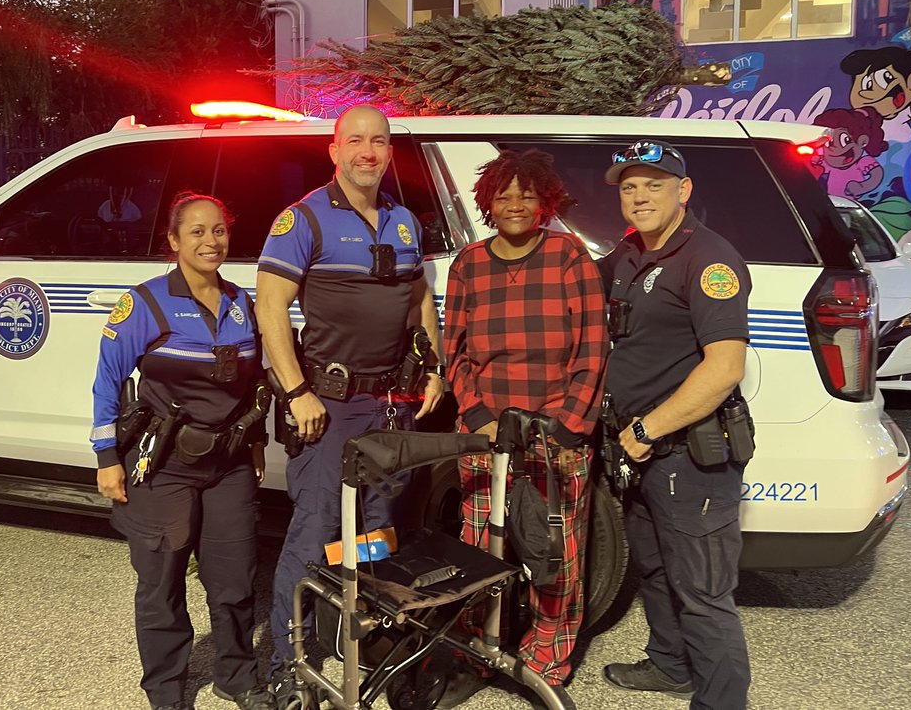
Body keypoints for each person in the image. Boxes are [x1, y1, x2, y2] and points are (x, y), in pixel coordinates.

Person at [256, 104, 445, 708]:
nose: (368, 151)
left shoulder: (404, 220)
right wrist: (296, 390)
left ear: (390, 152)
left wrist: (434, 363)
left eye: (379, 142)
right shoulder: (303, 219)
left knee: (375, 534)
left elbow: (419, 298)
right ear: (333, 151)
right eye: (355, 141)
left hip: (393, 405)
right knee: (314, 534)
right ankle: (286, 665)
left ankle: (357, 645)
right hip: (329, 406)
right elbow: (270, 307)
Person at [91, 192, 271, 710]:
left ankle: (236, 677)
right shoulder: (144, 303)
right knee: (161, 582)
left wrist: (255, 443)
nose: (210, 241)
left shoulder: (242, 304)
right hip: (161, 465)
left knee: (235, 579)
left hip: (229, 464)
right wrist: (107, 458)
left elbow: (254, 384)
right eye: (196, 231)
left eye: (218, 230)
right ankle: (166, 689)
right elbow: (108, 381)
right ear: (173, 241)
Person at [441, 149, 607, 710]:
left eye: (526, 195)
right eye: (503, 195)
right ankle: (473, 654)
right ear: (488, 202)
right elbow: (455, 353)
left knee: (553, 552)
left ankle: (547, 659)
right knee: (479, 549)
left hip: (553, 434)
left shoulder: (568, 256)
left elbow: (592, 349)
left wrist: (567, 426)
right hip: (487, 435)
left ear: (544, 201)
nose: (515, 204)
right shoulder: (468, 264)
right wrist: (479, 416)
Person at [598, 140, 752, 710]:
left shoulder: (708, 261)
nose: (639, 196)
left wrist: (645, 431)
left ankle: (721, 703)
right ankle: (670, 666)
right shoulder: (629, 254)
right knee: (656, 569)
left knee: (704, 593)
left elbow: (724, 369)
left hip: (689, 456)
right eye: (630, 187)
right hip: (644, 454)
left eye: (654, 185)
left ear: (683, 191)